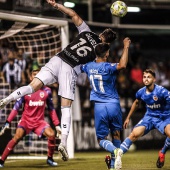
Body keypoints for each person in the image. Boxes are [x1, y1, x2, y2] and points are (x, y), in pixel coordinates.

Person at [0, 0, 117, 161]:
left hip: (58, 58)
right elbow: (101, 62)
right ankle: (63, 143)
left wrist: (56, 5)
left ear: (101, 33)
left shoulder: (87, 31)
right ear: (108, 42)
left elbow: (73, 14)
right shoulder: (102, 49)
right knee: (66, 107)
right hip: (70, 68)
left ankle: (7, 99)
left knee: (32, 86)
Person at [81, 38, 131, 170]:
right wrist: (125, 47)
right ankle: (114, 164)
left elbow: (78, 66)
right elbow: (123, 65)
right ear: (107, 54)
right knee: (116, 134)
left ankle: (115, 151)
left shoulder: (88, 66)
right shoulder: (108, 67)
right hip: (113, 104)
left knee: (101, 139)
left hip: (100, 106)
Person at [0, 68, 61, 168]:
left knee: (51, 134)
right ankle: (1, 160)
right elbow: (16, 108)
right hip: (26, 121)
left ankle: (50, 159)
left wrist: (57, 124)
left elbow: (51, 109)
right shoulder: (25, 90)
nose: (36, 77)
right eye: (34, 75)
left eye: (39, 75)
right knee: (17, 136)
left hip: (39, 122)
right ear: (30, 77)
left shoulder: (47, 91)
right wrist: (8, 122)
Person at [114, 69, 170, 170]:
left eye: (149, 77)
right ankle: (118, 157)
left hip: (164, 117)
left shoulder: (162, 91)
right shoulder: (140, 92)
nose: (146, 79)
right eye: (144, 77)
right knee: (134, 134)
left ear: (154, 79)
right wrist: (128, 118)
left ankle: (162, 152)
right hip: (149, 117)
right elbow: (136, 103)